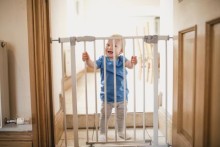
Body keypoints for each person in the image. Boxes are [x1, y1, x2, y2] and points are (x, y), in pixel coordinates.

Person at [82, 34, 137, 141]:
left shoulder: (122, 60)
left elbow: (130, 65)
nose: (109, 47)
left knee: (121, 116)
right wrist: (87, 60)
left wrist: (133, 62)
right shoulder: (103, 60)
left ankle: (121, 131)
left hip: (121, 96)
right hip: (107, 96)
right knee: (104, 116)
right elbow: (93, 65)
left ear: (121, 51)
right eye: (107, 44)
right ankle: (102, 133)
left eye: (114, 46)